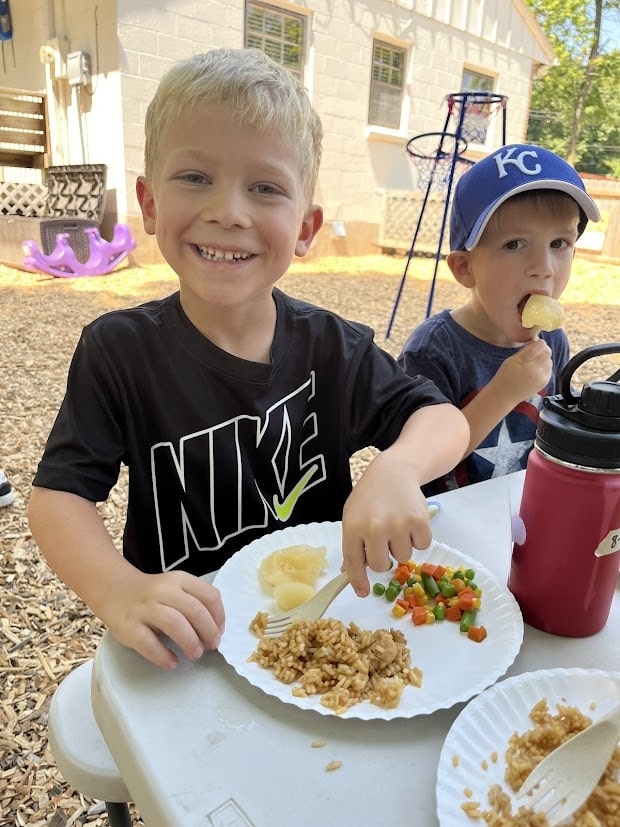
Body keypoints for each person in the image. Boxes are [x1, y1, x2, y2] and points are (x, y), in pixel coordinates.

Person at [28, 48, 469, 670]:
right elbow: (57, 498)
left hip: (319, 633)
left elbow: (443, 418)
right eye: (195, 178)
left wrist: (397, 468)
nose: (228, 212)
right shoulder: (118, 351)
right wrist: (119, 589)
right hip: (187, 639)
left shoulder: (332, 347)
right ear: (149, 204)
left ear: (306, 227)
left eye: (265, 188)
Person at [398, 143, 599, 495]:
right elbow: (414, 467)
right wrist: (504, 392)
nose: (544, 268)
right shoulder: (433, 351)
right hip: (445, 527)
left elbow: (555, 429)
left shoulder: (553, 340)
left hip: (522, 508)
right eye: (514, 245)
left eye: (559, 243)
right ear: (465, 268)